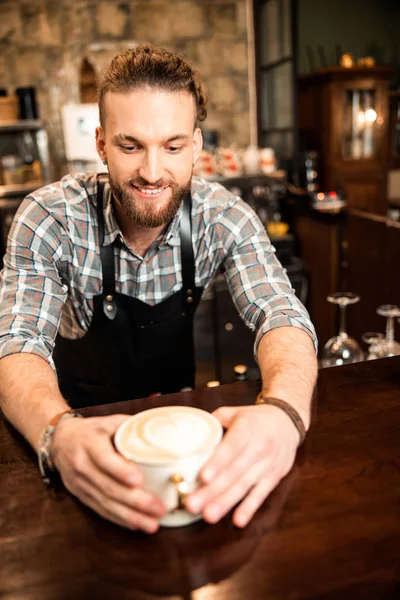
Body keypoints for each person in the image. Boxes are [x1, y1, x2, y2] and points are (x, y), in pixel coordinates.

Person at [0, 45, 317, 534]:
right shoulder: (49, 218)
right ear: (101, 144)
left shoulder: (223, 216)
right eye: (131, 146)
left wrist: (284, 413)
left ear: (195, 146)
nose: (151, 172)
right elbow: (16, 343)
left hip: (182, 439)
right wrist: (57, 436)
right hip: (79, 430)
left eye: (172, 147)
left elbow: (281, 313)